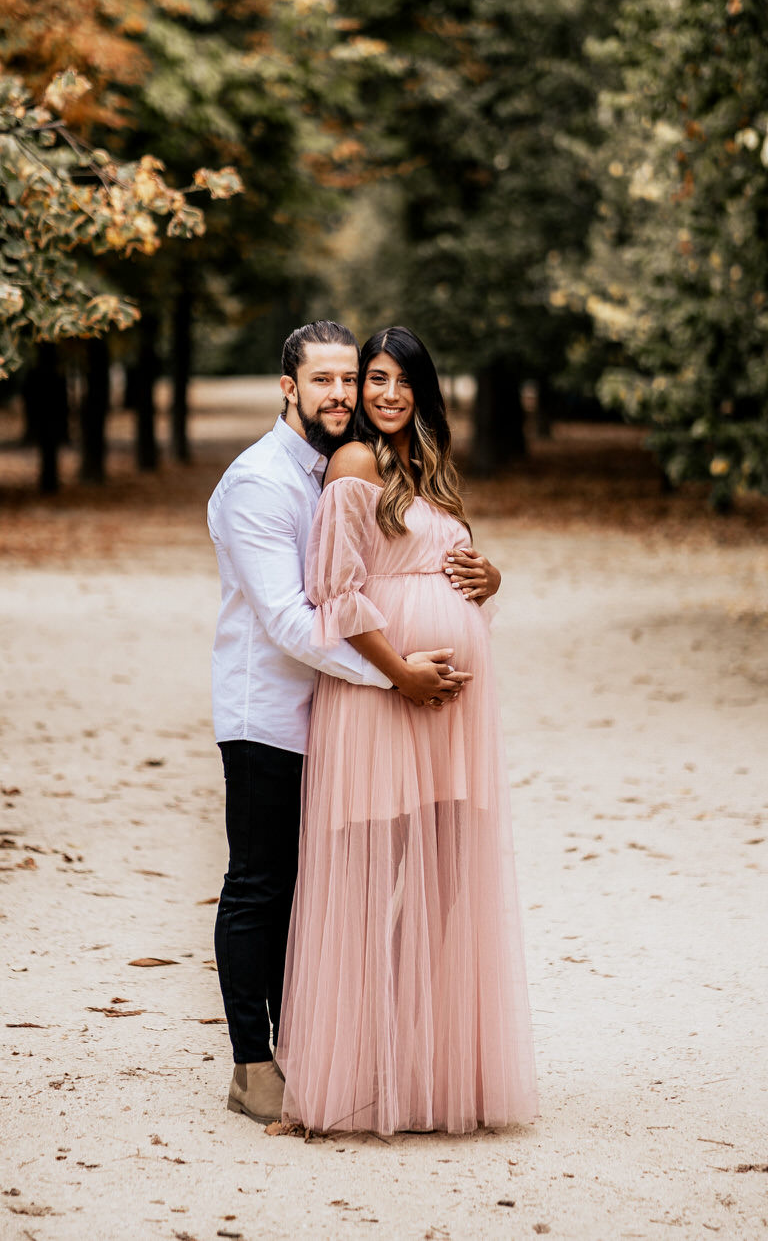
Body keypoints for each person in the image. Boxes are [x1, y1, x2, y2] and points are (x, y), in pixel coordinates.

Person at [207, 320, 469, 1125]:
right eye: (323, 381)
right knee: (261, 886)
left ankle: (322, 1048)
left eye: (348, 380)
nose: (343, 395)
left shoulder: (344, 465)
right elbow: (292, 621)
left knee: (315, 888)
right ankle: (255, 1066)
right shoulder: (259, 483)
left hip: (333, 710)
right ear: (288, 387)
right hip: (269, 715)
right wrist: (395, 680)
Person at [277, 326, 537, 1136]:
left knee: (448, 883)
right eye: (374, 381)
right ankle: (357, 1073)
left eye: (400, 382)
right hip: (387, 700)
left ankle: (427, 1066)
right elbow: (337, 594)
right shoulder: (354, 466)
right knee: (374, 880)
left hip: (453, 707)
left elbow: (448, 575)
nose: (385, 396)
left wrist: (488, 577)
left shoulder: (430, 472)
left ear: (421, 389)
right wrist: (403, 673)